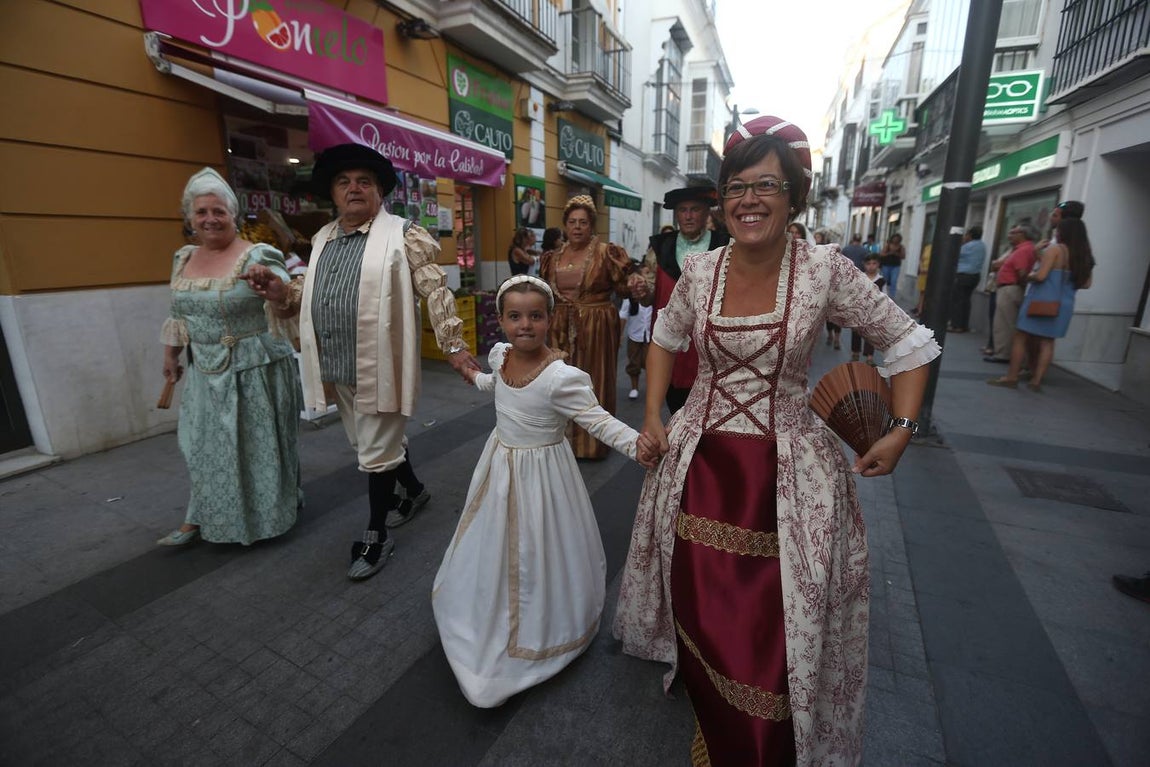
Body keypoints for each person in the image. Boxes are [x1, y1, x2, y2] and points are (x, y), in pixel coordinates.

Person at [614, 115, 940, 766]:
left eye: (766, 184)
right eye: (736, 186)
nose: (748, 199)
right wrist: (654, 415)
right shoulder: (703, 272)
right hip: (698, 464)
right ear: (721, 199)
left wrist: (902, 430)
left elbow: (907, 342)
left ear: (795, 195)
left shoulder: (825, 271)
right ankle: (715, 723)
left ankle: (757, 743)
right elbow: (664, 338)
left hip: (787, 477)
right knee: (702, 608)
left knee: (773, 622)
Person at [433, 276, 655, 707]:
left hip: (544, 477)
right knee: (492, 542)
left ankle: (540, 630)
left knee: (537, 549)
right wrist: (471, 373)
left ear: (550, 319)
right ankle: (486, 609)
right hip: (499, 466)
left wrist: (637, 446)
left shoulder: (561, 377)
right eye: (515, 317)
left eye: (536, 316)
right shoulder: (500, 357)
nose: (525, 325)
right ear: (500, 321)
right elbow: (493, 387)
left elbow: (599, 421)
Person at [288, 143, 478, 581]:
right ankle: (412, 490)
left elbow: (436, 290)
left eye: (364, 181)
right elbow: (307, 293)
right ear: (333, 194)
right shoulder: (322, 238)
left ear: (378, 191)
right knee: (371, 445)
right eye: (344, 182)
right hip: (338, 365)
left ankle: (376, 533)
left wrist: (453, 347)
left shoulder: (403, 233)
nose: (354, 189)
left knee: (374, 451)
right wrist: (281, 294)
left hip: (380, 364)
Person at [157, 168, 302, 546]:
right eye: (201, 212)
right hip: (205, 370)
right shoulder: (182, 258)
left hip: (256, 370)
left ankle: (265, 517)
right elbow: (178, 313)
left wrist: (272, 287)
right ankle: (200, 514)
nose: (210, 219)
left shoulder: (258, 255)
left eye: (218, 211)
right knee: (201, 446)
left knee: (257, 448)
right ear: (190, 218)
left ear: (233, 215)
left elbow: (286, 301)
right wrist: (171, 356)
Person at [539, 195, 641, 459]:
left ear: (591, 225)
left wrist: (636, 285)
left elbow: (625, 284)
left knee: (593, 380)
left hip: (596, 325)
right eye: (572, 221)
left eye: (583, 222)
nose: (577, 227)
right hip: (560, 325)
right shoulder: (553, 256)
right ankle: (562, 441)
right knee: (560, 383)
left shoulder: (606, 252)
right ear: (565, 224)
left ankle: (592, 444)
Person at [637, 187, 729, 414]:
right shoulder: (659, 248)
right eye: (682, 210)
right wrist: (641, 292)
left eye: (695, 209)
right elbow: (650, 297)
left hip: (710, 346)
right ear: (676, 215)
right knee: (676, 410)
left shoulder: (726, 245)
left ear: (707, 213)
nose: (688, 216)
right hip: (669, 347)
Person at [988, 218, 1095, 392]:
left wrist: (1030, 275)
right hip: (1064, 304)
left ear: (1063, 232)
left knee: (1020, 336)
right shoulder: (1085, 256)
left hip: (1041, 301)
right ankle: (1036, 381)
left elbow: (1041, 276)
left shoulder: (1056, 250)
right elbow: (1086, 284)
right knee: (1048, 342)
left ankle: (1011, 377)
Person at [985, 224, 1038, 363]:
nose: (1010, 235)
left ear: (1023, 234)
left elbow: (1022, 273)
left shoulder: (1023, 250)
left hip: (1010, 288)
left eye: (1014, 232)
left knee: (1005, 323)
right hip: (1008, 287)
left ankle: (1004, 354)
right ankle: (1003, 352)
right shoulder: (1018, 249)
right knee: (1004, 322)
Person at [949, 226, 986, 333]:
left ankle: (956, 325)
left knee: (958, 301)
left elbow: (954, 254)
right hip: (975, 276)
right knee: (966, 301)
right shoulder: (982, 246)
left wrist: (961, 242)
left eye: (966, 235)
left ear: (970, 235)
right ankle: (964, 325)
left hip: (963, 275)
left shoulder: (968, 246)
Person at [850, 254, 887, 364]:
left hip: (874, 311)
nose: (871, 266)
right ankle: (855, 353)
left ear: (878, 264)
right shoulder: (860, 278)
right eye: (868, 264)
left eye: (874, 263)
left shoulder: (881, 280)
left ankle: (869, 356)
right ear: (864, 265)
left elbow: (885, 296)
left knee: (871, 334)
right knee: (856, 333)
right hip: (860, 310)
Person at [620, 294, 652, 400]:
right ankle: (634, 388)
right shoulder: (629, 298)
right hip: (634, 335)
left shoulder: (652, 297)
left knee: (651, 363)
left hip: (651, 335)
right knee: (633, 362)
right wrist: (620, 334)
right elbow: (623, 315)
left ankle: (652, 390)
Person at [879, 232, 905, 299]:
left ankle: (892, 297)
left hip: (896, 266)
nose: (895, 240)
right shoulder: (887, 245)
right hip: (886, 265)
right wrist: (889, 253)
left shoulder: (901, 247)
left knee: (894, 281)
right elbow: (881, 254)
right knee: (885, 280)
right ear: (892, 239)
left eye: (897, 239)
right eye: (894, 238)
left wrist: (896, 254)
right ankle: (883, 294)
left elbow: (903, 256)